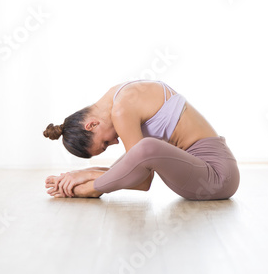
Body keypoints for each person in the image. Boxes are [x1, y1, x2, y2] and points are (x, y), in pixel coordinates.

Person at [44, 80, 239, 200]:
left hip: (216, 177)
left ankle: (90, 190)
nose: (115, 143)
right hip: (202, 177)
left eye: (104, 143)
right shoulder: (120, 93)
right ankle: (87, 182)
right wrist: (82, 173)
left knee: (146, 148)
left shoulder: (121, 110)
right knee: (140, 154)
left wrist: (89, 182)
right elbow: (131, 170)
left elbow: (142, 181)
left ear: (92, 125)